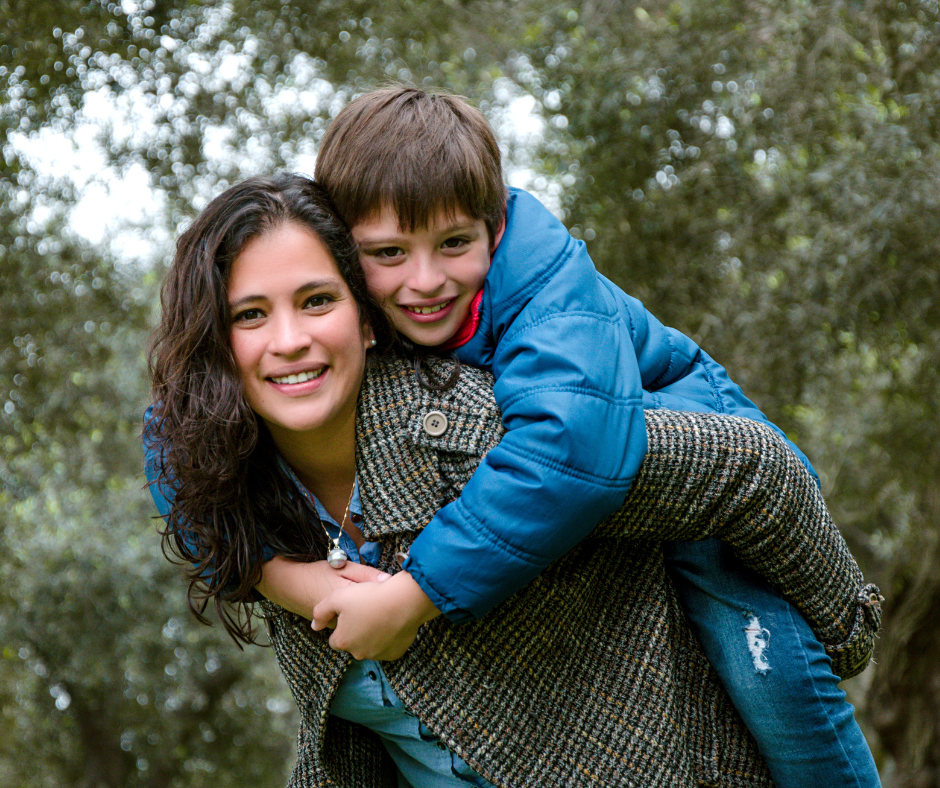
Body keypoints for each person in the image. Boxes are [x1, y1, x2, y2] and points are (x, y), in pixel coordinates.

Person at [146, 174, 881, 787]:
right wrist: (291, 581)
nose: (289, 339)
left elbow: (753, 466)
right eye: (249, 314)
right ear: (216, 344)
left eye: (316, 301)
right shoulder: (232, 484)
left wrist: (845, 628)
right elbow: (166, 456)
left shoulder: (484, 437)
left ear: (367, 319)